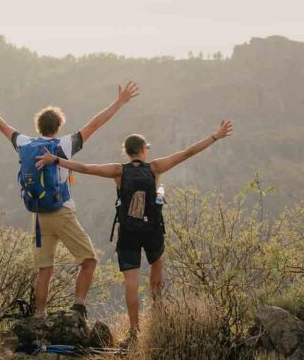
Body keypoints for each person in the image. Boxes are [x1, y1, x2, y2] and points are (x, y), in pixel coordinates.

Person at [36, 120, 234, 338]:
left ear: (127, 152)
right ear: (142, 150)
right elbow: (187, 152)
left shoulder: (118, 171)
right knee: (156, 266)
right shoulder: (155, 167)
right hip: (152, 231)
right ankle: (157, 310)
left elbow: (84, 168)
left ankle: (133, 330)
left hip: (128, 234)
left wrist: (55, 159)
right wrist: (215, 136)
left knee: (131, 284)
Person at [0, 83, 139, 319]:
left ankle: (40, 316)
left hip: (38, 217)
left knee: (44, 270)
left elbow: (2, 126)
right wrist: (120, 102)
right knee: (89, 260)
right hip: (61, 212)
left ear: (38, 126)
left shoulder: (24, 144)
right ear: (58, 126)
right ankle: (78, 309)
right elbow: (95, 124)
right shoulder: (64, 145)